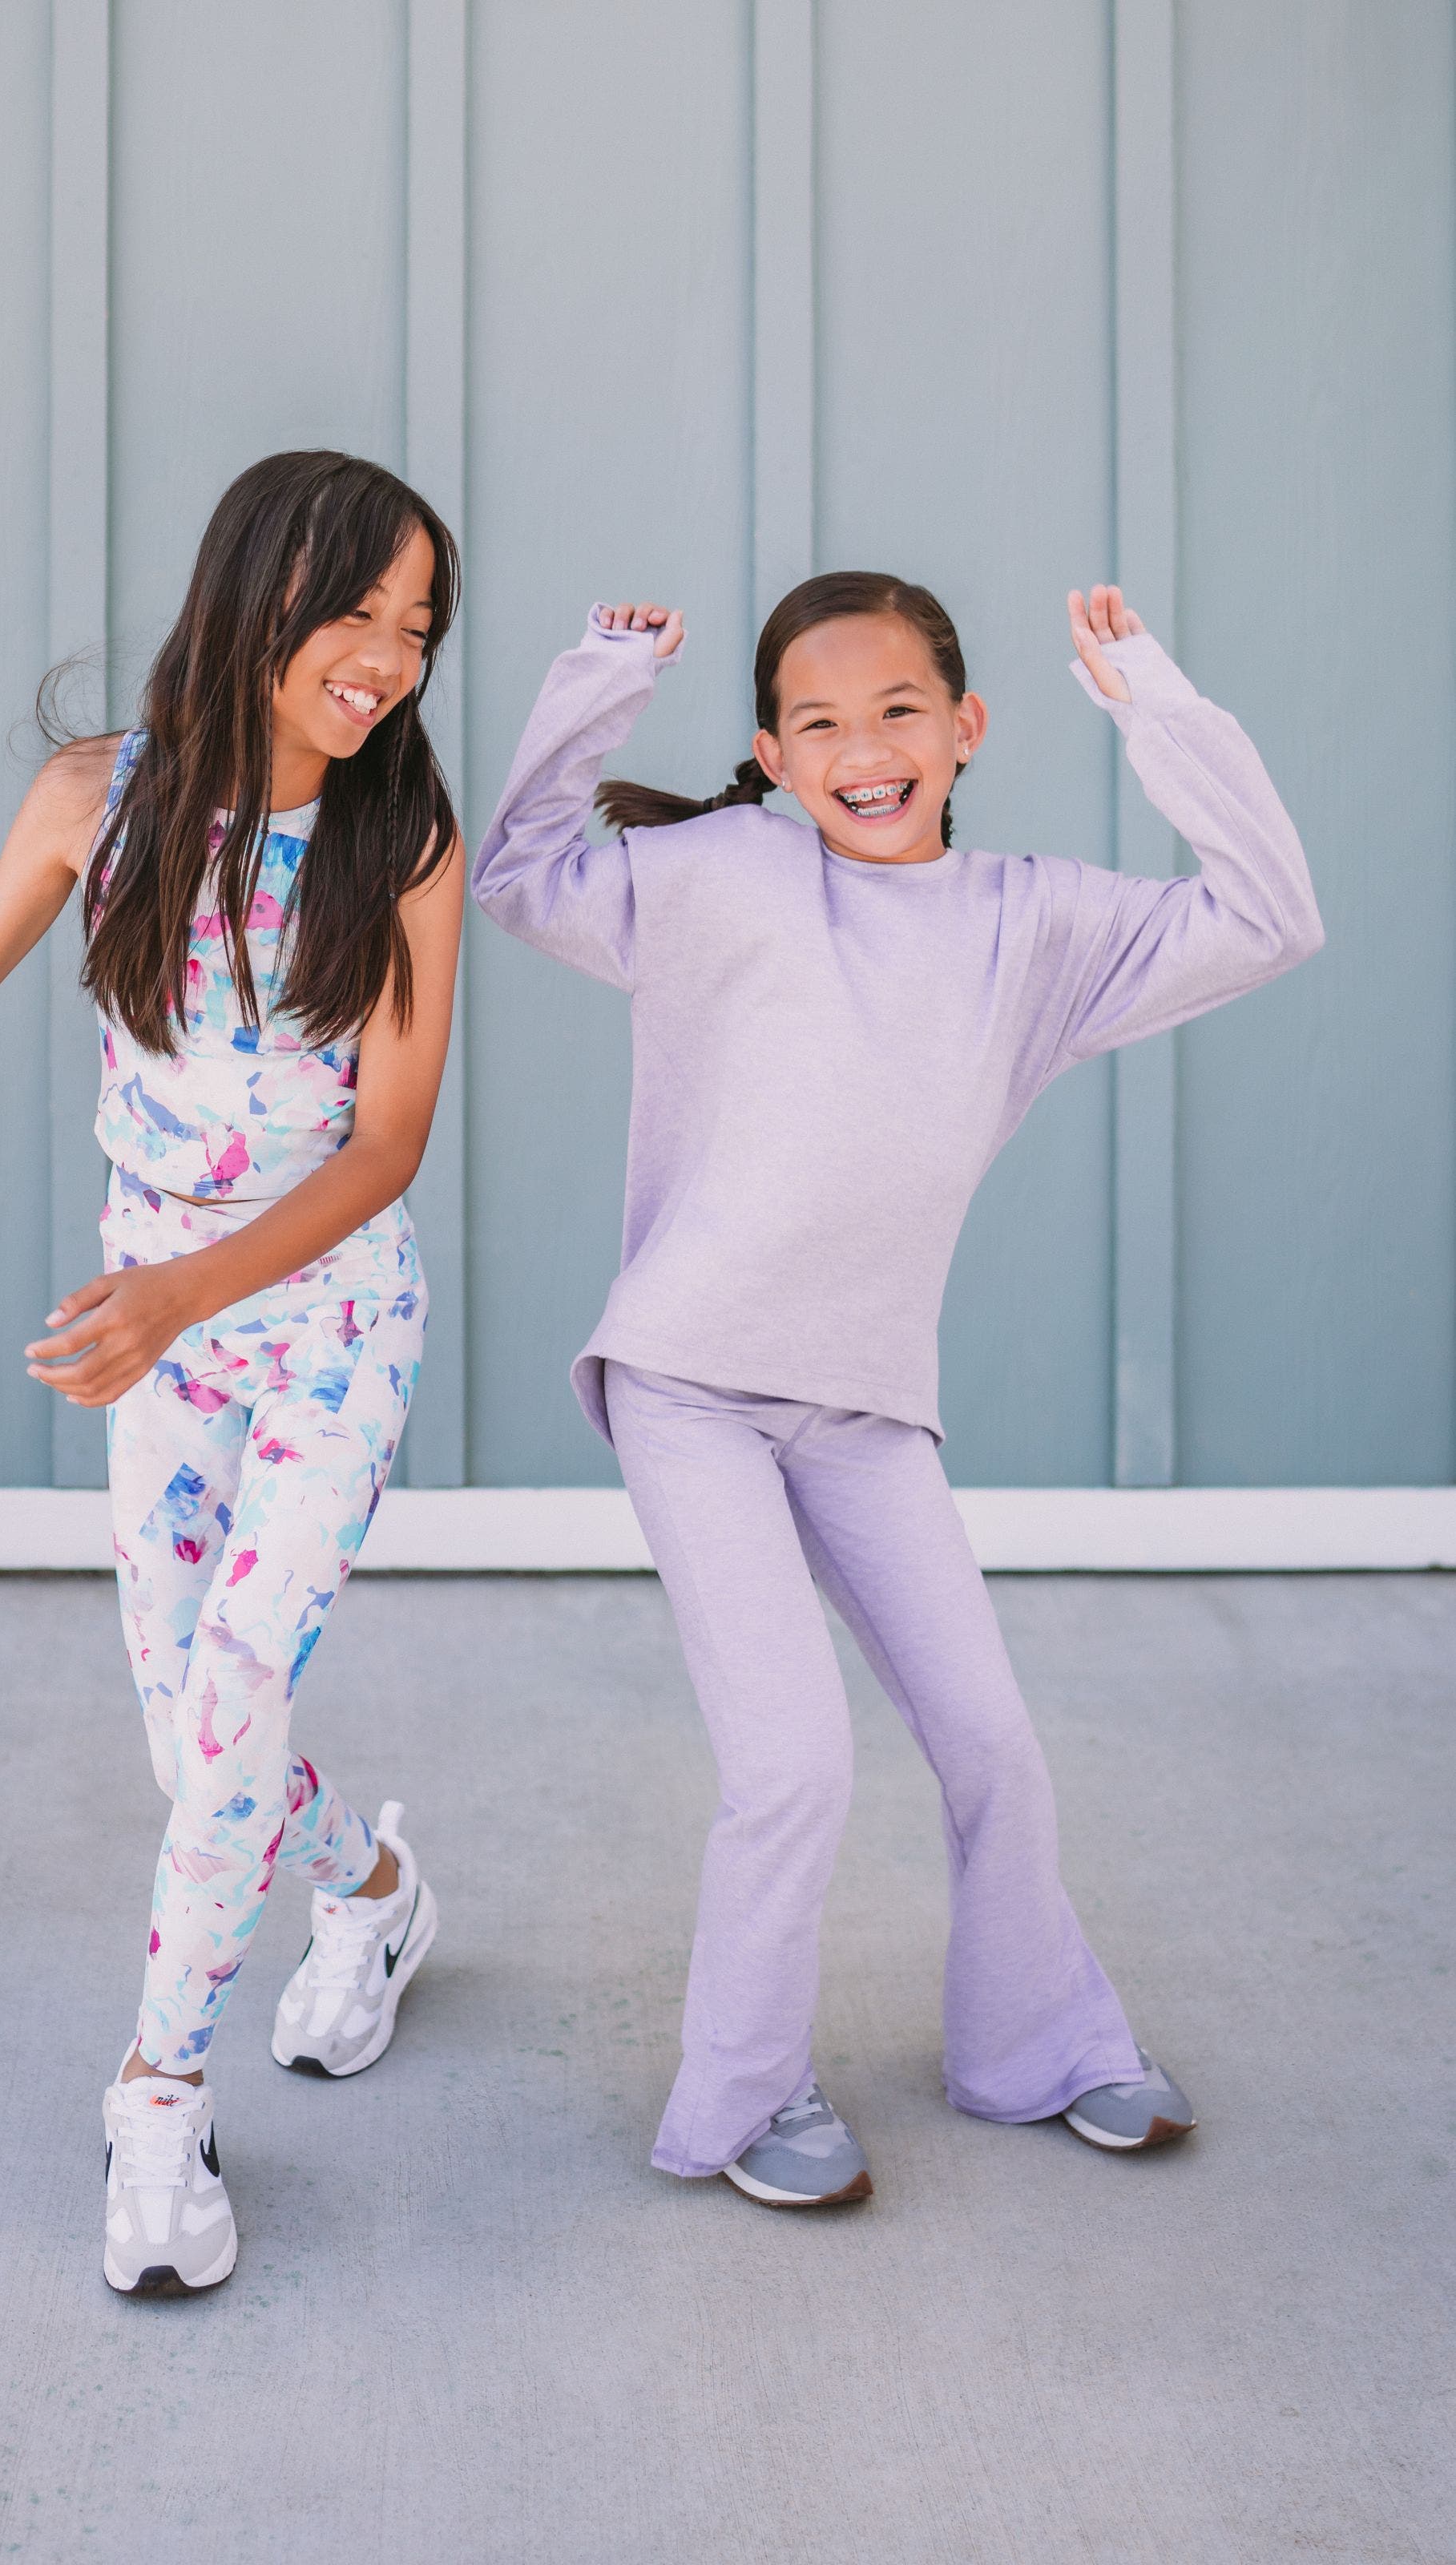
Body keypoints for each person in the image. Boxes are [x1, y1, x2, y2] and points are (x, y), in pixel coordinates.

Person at [472, 577, 1322, 2208]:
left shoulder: (1038, 925)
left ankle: (1039, 2048)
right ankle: (739, 2103)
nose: (864, 749)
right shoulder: (719, 875)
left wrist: (1149, 695)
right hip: (690, 1385)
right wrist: (603, 677)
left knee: (994, 1741)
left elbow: (1273, 913)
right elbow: (519, 871)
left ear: (967, 726)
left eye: (899, 710)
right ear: (772, 755)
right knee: (793, 1764)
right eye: (820, 722)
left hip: (863, 1403)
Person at [0, 450, 465, 2291]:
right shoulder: (101, 799)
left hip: (327, 1328)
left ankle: (159, 2097)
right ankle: (372, 1895)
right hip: (162, 1341)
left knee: (227, 1707)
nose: (386, 656)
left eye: (419, 625)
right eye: (356, 609)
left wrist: (179, 1294)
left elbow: (384, 1150)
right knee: (191, 1740)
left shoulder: (406, 841)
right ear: (253, 595)